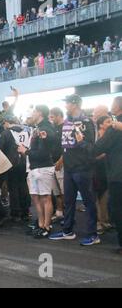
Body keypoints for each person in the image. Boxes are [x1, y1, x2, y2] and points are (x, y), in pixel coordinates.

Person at [49, 95, 99, 246]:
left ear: (75, 104)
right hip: (70, 168)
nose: (66, 106)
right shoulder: (67, 122)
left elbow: (92, 148)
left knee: (88, 202)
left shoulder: (86, 122)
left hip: (83, 168)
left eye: (67, 103)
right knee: (69, 201)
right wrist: (61, 161)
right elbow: (65, 146)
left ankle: (93, 234)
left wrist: (81, 142)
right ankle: (67, 231)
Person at [76, 97, 122, 254]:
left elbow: (97, 149)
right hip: (113, 172)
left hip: (117, 174)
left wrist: (82, 142)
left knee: (117, 208)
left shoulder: (114, 128)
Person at [18, 105, 58, 239]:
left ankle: (46, 226)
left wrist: (26, 152)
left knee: (45, 197)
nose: (32, 114)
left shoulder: (45, 128)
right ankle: (41, 224)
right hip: (34, 167)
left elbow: (43, 152)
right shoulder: (39, 128)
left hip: (43, 167)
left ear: (40, 113)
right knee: (36, 197)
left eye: (34, 111)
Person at [0, 116, 31, 222]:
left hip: (11, 164)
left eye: (4, 124)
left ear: (7, 123)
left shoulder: (6, 133)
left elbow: (1, 150)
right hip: (24, 162)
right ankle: (25, 211)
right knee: (23, 186)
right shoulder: (26, 131)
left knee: (13, 188)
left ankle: (16, 213)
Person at [50, 107, 66, 220]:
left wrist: (61, 160)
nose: (51, 119)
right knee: (57, 192)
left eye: (52, 116)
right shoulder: (53, 128)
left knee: (64, 190)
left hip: (62, 163)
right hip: (52, 163)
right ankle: (59, 212)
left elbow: (67, 147)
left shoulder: (65, 127)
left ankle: (67, 215)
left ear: (59, 115)